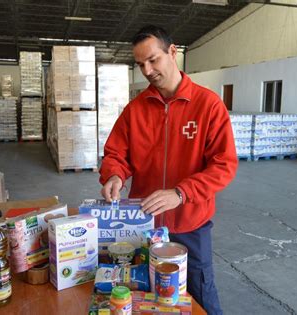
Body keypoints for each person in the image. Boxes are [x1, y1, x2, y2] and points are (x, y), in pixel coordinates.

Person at [99, 25, 238, 315]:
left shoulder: (208, 105)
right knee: (149, 296)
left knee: (201, 295)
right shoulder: (135, 110)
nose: (147, 71)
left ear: (172, 52)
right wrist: (114, 174)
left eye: (153, 60)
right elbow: (116, 153)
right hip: (145, 225)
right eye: (140, 65)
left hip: (191, 226)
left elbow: (224, 165)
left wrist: (181, 192)